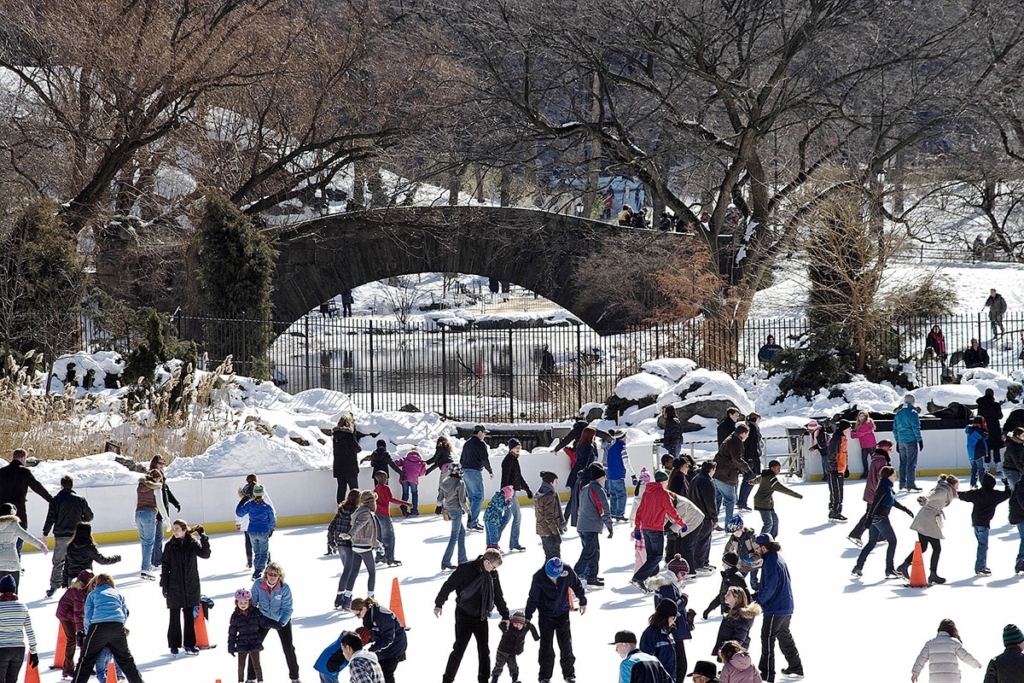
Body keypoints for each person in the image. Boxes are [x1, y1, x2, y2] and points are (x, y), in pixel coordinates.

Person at [434, 549, 510, 683]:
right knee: (459, 649)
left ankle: (483, 680)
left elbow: (498, 596)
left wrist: (505, 615)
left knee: (484, 651)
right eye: (493, 567)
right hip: (464, 615)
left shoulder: (493, 575)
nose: (493, 570)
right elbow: (449, 585)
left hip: (481, 617)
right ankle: (447, 679)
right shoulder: (465, 569)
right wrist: (439, 603)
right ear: (486, 561)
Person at [70, 574, 146, 683]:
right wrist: (120, 627)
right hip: (117, 626)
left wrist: (88, 634)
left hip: (98, 626)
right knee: (126, 660)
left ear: (96, 583)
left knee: (86, 660)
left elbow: (87, 616)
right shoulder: (118, 594)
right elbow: (124, 613)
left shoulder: (93, 594)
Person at [525, 557, 585, 683]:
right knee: (546, 647)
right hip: (546, 615)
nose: (554, 578)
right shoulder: (539, 577)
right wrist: (528, 616)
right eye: (552, 576)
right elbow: (533, 598)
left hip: (562, 613)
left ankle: (569, 674)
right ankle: (544, 676)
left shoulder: (567, 571)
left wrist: (582, 600)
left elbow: (576, 584)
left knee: (566, 645)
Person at [752, 534, 802, 682]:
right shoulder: (777, 559)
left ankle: (767, 675)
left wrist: (759, 602)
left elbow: (771, 587)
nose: (756, 549)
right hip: (785, 606)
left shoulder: (771, 562)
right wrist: (756, 596)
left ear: (764, 547)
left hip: (775, 608)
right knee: (784, 636)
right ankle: (796, 667)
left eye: (757, 546)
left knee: (767, 639)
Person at [896, 475, 960, 585]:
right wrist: (924, 499)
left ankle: (903, 566)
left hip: (924, 517)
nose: (958, 488)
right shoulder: (943, 491)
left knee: (923, 546)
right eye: (957, 486)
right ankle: (933, 574)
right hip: (928, 520)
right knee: (936, 548)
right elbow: (931, 495)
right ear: (952, 485)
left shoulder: (945, 489)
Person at [160, 519, 211, 656]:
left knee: (189, 617)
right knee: (174, 617)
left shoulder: (192, 543)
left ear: (184, 530)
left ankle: (189, 644)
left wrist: (203, 536)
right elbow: (165, 566)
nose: (175, 531)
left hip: (191, 585)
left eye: (177, 529)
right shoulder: (170, 546)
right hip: (174, 586)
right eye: (174, 529)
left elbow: (205, 554)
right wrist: (164, 584)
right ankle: (174, 645)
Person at [851, 466, 913, 579]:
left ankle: (858, 567)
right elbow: (875, 503)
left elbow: (892, 501)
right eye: (894, 475)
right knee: (892, 541)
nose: (895, 477)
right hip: (880, 518)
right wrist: (869, 518)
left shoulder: (886, 487)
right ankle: (890, 569)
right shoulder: (883, 488)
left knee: (871, 543)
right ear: (889, 476)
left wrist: (905, 510)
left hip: (876, 519)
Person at [631, 471, 686, 592]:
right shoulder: (663, 493)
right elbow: (671, 510)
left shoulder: (647, 492)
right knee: (657, 556)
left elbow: (640, 511)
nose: (667, 483)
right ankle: (638, 578)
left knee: (652, 556)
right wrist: (681, 523)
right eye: (666, 481)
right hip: (656, 529)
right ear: (663, 481)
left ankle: (653, 583)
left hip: (645, 528)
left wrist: (637, 527)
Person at [42, 475, 93, 598]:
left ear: (62, 485)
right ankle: (85, 584)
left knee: (58, 561)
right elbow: (90, 516)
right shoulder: (80, 500)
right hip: (77, 535)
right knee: (78, 560)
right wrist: (81, 520)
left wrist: (45, 533)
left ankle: (54, 585)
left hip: (61, 535)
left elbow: (51, 518)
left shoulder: (56, 500)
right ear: (72, 485)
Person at [249, 563, 300, 683]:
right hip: (263, 618)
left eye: (275, 575)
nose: (272, 577)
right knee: (253, 647)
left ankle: (295, 677)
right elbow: (253, 603)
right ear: (266, 574)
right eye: (270, 574)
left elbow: (288, 608)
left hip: (280, 619)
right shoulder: (258, 584)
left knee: (288, 648)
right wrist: (257, 619)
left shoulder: (284, 588)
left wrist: (281, 622)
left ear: (279, 576)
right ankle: (251, 677)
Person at [0, 448, 53, 555]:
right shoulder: (24, 472)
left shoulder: (1, 472)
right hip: (18, 515)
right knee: (17, 546)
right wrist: (52, 500)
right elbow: (38, 488)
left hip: (1, 515)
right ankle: (16, 567)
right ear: (23, 458)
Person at [959, 472, 1012, 576]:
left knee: (981, 544)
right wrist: (1006, 484)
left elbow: (962, 495)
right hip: (984, 523)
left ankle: (981, 565)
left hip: (975, 522)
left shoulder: (977, 493)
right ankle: (980, 567)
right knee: (983, 545)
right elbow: (1008, 494)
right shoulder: (994, 495)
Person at [350, 597, 407, 683]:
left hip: (396, 646)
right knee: (377, 671)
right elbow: (374, 633)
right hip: (384, 646)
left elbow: (388, 638)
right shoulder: (368, 617)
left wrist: (373, 648)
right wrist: (362, 642)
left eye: (358, 614)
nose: (358, 617)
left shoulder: (383, 616)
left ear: (364, 608)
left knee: (387, 673)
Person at [575, 463, 613, 586]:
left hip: (583, 525)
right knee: (588, 553)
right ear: (600, 478)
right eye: (604, 477)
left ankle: (592, 577)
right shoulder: (597, 489)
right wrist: (609, 526)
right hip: (589, 527)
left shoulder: (585, 488)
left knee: (593, 552)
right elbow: (603, 509)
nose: (605, 479)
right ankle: (573, 577)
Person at [911, 618, 981, 683]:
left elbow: (921, 659)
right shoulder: (954, 642)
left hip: (935, 680)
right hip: (952, 679)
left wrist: (915, 673)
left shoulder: (930, 644)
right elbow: (965, 656)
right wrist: (976, 664)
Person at [340, 491, 379, 601]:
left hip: (356, 545)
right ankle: (371, 598)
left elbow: (367, 532)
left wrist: (377, 543)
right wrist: (349, 534)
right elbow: (358, 526)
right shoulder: (366, 513)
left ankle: (346, 599)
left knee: (354, 572)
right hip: (364, 546)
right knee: (372, 572)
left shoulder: (359, 511)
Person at [0, 502, 46, 593]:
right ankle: (14, 603)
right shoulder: (14, 525)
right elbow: (27, 536)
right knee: (13, 588)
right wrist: (41, 545)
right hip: (12, 559)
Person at [750, 460, 802, 539]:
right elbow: (783, 489)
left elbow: (757, 480)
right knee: (768, 523)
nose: (779, 471)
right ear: (772, 468)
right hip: (763, 503)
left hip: (767, 503)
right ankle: (760, 541)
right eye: (778, 469)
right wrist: (797, 495)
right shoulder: (771, 479)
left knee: (775, 521)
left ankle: (771, 538)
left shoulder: (765, 475)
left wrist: (751, 482)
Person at [235, 483, 277, 580]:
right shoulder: (267, 507)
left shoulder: (250, 505)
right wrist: (271, 529)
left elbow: (239, 513)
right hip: (263, 531)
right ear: (262, 494)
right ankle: (258, 571)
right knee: (263, 554)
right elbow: (272, 520)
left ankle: (256, 571)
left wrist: (242, 502)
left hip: (252, 532)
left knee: (257, 553)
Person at [0, 573, 36, 683]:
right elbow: (30, 631)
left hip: (2, 648)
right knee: (12, 680)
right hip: (18, 650)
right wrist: (34, 652)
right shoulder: (22, 606)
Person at [713, 425, 752, 528]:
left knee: (717, 498)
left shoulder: (729, 438)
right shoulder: (736, 442)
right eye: (747, 435)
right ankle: (729, 525)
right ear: (742, 433)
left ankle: (713, 523)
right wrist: (747, 470)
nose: (747, 437)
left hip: (717, 473)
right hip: (727, 475)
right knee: (730, 501)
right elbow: (737, 459)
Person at [56, 569, 92, 679]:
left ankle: (84, 667)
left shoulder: (88, 590)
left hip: (75, 615)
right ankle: (68, 669)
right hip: (65, 616)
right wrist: (80, 630)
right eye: (91, 581)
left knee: (84, 640)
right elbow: (78, 613)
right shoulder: (79, 592)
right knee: (72, 640)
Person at [61, 522, 120, 589]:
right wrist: (116, 558)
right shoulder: (89, 547)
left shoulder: (70, 546)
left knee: (73, 599)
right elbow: (102, 560)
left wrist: (64, 582)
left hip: (72, 579)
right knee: (87, 598)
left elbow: (66, 565)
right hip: (86, 578)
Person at [330, 489, 362, 609]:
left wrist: (331, 542)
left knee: (347, 571)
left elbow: (331, 526)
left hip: (340, 544)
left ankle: (341, 598)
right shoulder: (356, 512)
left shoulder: (341, 509)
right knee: (349, 571)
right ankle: (342, 599)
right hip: (349, 544)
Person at [499, 439, 532, 551]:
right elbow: (505, 478)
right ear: (511, 448)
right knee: (517, 516)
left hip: (510, 492)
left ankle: (493, 542)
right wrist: (506, 495)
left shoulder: (514, 460)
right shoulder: (508, 461)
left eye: (519, 446)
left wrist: (527, 490)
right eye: (516, 447)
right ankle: (513, 543)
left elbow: (519, 477)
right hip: (509, 493)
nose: (518, 448)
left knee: (506, 518)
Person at [148, 455, 180, 570]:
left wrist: (175, 502)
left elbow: (166, 491)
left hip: (161, 512)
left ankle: (154, 561)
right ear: (154, 463)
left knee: (157, 538)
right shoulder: (153, 476)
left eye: (163, 463)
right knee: (157, 538)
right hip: (156, 513)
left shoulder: (161, 476)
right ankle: (156, 562)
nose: (162, 465)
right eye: (160, 463)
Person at [228, 588, 265, 683]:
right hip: (242, 643)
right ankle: (240, 680)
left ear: (249, 602)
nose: (243, 605)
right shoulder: (235, 616)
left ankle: (260, 680)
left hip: (254, 641)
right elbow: (232, 633)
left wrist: (274, 624)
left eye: (245, 602)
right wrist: (231, 646)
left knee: (256, 664)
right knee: (241, 666)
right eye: (241, 603)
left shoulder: (255, 612)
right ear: (237, 603)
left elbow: (264, 622)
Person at [491, 610, 539, 683]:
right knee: (499, 666)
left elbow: (531, 627)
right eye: (515, 624)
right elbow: (501, 625)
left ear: (523, 624)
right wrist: (507, 621)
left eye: (520, 624)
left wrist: (536, 637)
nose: (517, 625)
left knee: (514, 667)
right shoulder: (508, 628)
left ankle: (515, 680)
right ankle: (494, 679)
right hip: (502, 651)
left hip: (513, 652)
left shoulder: (525, 628)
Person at [461, 426, 494, 531]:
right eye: (484, 433)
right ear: (479, 432)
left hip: (465, 472)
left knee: (472, 498)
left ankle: (472, 521)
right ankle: (472, 523)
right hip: (474, 472)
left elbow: (462, 459)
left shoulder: (467, 443)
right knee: (479, 497)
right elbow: (484, 459)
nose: (485, 435)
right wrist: (490, 470)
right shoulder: (480, 443)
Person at [372, 471, 408, 567]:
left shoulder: (375, 489)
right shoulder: (385, 488)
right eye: (384, 477)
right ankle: (389, 558)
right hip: (384, 515)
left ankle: (380, 556)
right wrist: (405, 503)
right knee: (389, 537)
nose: (386, 479)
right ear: (381, 478)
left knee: (379, 536)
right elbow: (391, 499)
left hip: (377, 515)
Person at [565, 426, 599, 528]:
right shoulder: (589, 447)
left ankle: (564, 519)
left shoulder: (579, 445)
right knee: (583, 499)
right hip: (583, 476)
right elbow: (586, 463)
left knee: (573, 499)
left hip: (575, 474)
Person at [712, 587, 761, 657]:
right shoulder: (732, 613)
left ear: (736, 598)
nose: (725, 596)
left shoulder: (741, 617)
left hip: (734, 655)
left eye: (728, 595)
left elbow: (739, 639)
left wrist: (729, 652)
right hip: (728, 653)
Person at [438, 465, 469, 571]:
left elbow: (440, 498)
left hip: (448, 510)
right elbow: (462, 501)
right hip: (456, 511)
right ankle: (446, 561)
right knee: (454, 536)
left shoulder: (445, 482)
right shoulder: (460, 483)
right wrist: (469, 512)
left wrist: (439, 507)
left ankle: (463, 559)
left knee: (461, 533)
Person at [702, 552, 750, 619]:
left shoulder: (737, 577)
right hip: (727, 612)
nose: (722, 564)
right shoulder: (727, 576)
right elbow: (722, 595)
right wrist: (709, 609)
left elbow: (746, 595)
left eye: (724, 563)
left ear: (728, 565)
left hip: (735, 614)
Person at [690, 461, 718, 574]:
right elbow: (710, 501)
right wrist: (714, 517)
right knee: (703, 540)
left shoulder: (695, 479)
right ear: (711, 469)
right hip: (704, 516)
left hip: (695, 514)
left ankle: (703, 561)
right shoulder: (706, 481)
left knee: (702, 539)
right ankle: (699, 563)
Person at [640, 600, 678, 681]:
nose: (674, 620)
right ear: (665, 617)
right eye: (673, 617)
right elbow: (646, 661)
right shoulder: (651, 634)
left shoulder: (669, 634)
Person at [135, 468, 162, 580]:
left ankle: (146, 566)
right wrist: (166, 519)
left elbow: (136, 502)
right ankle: (146, 568)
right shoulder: (156, 488)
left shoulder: (140, 487)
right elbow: (160, 505)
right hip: (149, 514)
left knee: (144, 542)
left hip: (138, 514)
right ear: (156, 478)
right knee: (149, 542)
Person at [894, 395, 924, 492]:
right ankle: (910, 484)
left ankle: (902, 483)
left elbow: (895, 429)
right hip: (910, 440)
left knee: (903, 462)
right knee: (911, 463)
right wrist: (919, 440)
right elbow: (915, 428)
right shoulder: (913, 413)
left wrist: (897, 441)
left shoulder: (898, 413)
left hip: (901, 441)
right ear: (913, 402)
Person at [826, 420, 852, 522]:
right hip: (834, 471)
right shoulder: (836, 439)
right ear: (844, 428)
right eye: (849, 427)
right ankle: (835, 512)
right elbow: (831, 455)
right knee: (836, 492)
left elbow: (844, 455)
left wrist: (846, 468)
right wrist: (834, 469)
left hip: (840, 469)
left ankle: (835, 511)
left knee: (839, 492)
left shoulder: (843, 438)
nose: (850, 429)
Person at [737, 414, 763, 512]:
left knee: (747, 481)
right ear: (757, 419)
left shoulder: (749, 426)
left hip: (749, 458)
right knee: (749, 481)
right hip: (751, 459)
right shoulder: (753, 427)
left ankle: (742, 501)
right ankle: (742, 502)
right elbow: (753, 445)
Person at [333, 415, 362, 504]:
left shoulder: (335, 436)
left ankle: (340, 508)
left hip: (339, 467)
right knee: (354, 489)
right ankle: (355, 507)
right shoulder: (349, 435)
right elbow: (356, 448)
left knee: (341, 488)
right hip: (350, 467)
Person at [605, 430, 633, 521]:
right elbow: (626, 463)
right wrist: (633, 475)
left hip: (610, 475)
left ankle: (613, 513)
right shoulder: (622, 448)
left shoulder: (611, 448)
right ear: (623, 437)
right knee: (622, 495)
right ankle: (619, 514)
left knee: (613, 495)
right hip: (618, 475)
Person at [535, 471, 563, 561]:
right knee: (555, 559)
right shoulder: (549, 496)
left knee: (549, 558)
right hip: (550, 532)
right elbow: (549, 517)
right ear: (551, 482)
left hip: (542, 530)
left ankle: (546, 574)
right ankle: (553, 575)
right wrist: (556, 533)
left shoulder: (540, 493)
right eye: (556, 481)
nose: (557, 483)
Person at [977, 388, 1005, 475]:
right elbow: (1000, 416)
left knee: (986, 448)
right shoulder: (996, 405)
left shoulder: (981, 404)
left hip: (985, 428)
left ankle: (987, 468)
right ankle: (998, 467)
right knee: (996, 448)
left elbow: (979, 416)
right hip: (995, 429)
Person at [395, 449, 426, 516]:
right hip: (414, 480)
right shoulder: (420, 462)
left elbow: (396, 463)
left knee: (405, 493)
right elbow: (422, 473)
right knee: (414, 494)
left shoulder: (405, 459)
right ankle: (414, 510)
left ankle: (404, 508)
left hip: (404, 478)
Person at [238, 474, 261, 562]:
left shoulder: (243, 492)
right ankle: (264, 559)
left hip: (246, 522)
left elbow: (239, 509)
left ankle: (250, 561)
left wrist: (238, 522)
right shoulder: (260, 491)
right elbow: (268, 504)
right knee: (260, 542)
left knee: (248, 542)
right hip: (258, 521)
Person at [850, 411, 877, 477]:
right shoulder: (861, 424)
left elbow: (859, 434)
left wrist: (852, 434)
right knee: (866, 459)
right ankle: (870, 472)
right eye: (860, 416)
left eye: (862, 416)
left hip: (869, 444)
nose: (861, 418)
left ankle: (870, 472)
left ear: (865, 417)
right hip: (865, 444)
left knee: (869, 459)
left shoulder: (866, 424)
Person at [966, 417, 990, 488]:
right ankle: (983, 484)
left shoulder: (970, 430)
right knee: (980, 469)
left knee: (974, 468)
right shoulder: (976, 431)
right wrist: (984, 429)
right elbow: (985, 436)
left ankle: (973, 483)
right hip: (977, 453)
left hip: (971, 452)